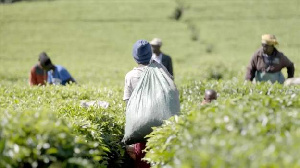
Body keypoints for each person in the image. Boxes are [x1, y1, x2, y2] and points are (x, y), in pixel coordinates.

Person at [123, 40, 153, 168]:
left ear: (135, 57)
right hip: (161, 132)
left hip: (141, 132)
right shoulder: (161, 74)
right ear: (150, 54)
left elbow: (129, 109)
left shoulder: (131, 76)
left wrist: (129, 142)